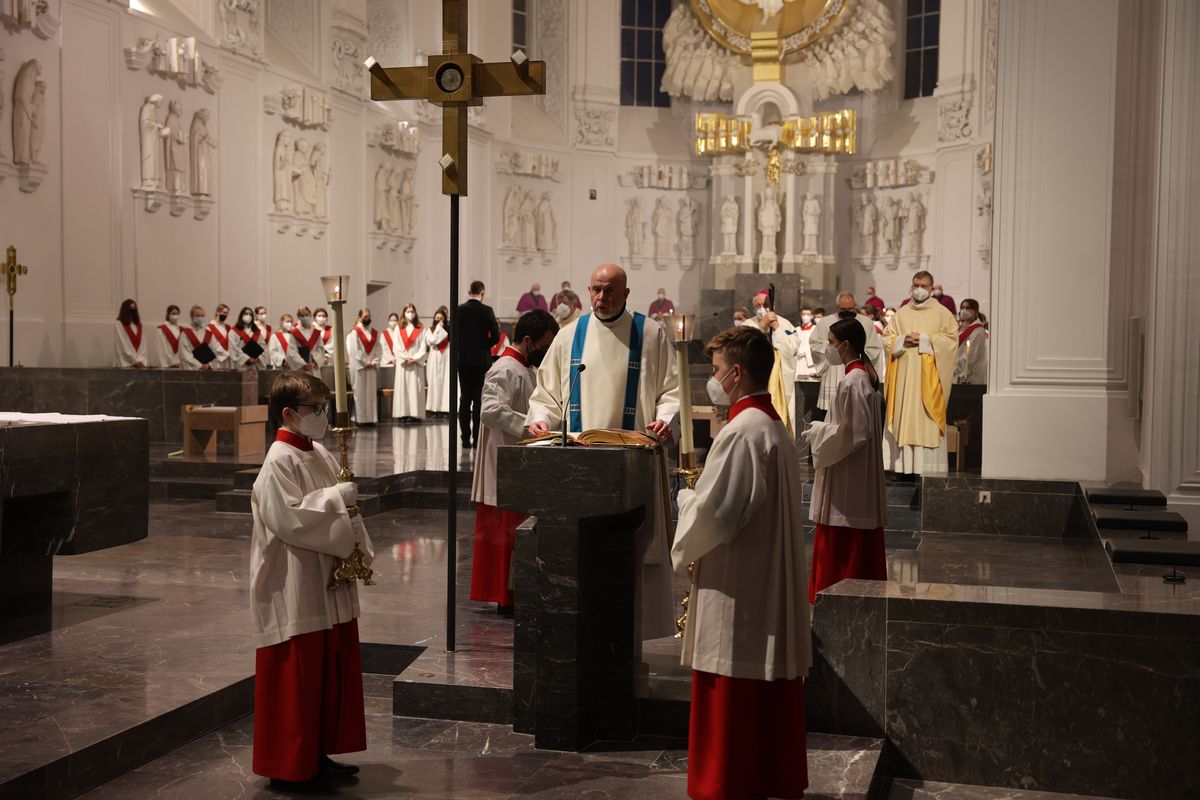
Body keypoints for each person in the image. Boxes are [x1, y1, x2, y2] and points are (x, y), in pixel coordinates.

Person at [672, 325, 811, 800]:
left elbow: (718, 514)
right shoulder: (773, 427)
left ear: (734, 374)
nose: (711, 379)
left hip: (740, 590)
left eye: (714, 371)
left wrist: (685, 500)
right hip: (762, 581)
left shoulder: (743, 432)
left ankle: (724, 785)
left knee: (732, 693)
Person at [527, 263, 680, 640]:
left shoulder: (651, 333)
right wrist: (542, 419)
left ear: (626, 292)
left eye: (609, 290)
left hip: (636, 456)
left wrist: (665, 419)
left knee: (633, 553)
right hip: (581, 463)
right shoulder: (569, 335)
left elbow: (672, 391)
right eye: (595, 289)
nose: (601, 297)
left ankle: (633, 631)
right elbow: (546, 393)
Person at [250, 371, 372, 790]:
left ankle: (317, 755)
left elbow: (336, 504)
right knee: (298, 676)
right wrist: (340, 498)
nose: (322, 416)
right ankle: (291, 766)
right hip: (295, 579)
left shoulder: (316, 451)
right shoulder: (276, 463)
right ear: (288, 413)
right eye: (315, 409)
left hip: (323, 574)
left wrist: (354, 533)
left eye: (324, 408)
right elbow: (292, 519)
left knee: (324, 671)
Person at [469, 309, 559, 611]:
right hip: (502, 461)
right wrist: (527, 425)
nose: (545, 352)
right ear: (528, 340)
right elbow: (490, 410)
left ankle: (516, 594)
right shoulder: (505, 368)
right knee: (504, 533)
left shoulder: (523, 369)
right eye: (545, 345)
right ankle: (505, 597)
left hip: (518, 460)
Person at [803, 317, 887, 602]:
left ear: (846, 345)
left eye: (831, 343)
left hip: (849, 472)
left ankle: (837, 591)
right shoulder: (861, 377)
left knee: (845, 535)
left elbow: (855, 434)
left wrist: (818, 431)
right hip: (851, 469)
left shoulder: (854, 381)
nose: (829, 348)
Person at [883, 271, 959, 475]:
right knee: (904, 419)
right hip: (905, 382)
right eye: (916, 284)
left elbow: (952, 341)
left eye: (924, 286)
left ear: (931, 288)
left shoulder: (943, 313)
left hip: (930, 380)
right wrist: (901, 341)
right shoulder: (901, 313)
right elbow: (886, 338)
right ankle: (902, 468)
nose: (919, 289)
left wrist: (926, 340)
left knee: (927, 422)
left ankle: (927, 468)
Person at [810, 292, 883, 423]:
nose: (847, 312)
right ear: (837, 306)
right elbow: (815, 344)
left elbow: (874, 348)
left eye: (850, 309)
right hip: (833, 374)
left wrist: (854, 353)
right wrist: (831, 350)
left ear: (855, 306)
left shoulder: (866, 322)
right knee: (831, 417)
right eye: (843, 309)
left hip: (857, 370)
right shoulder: (826, 322)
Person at [751, 291, 802, 434]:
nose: (762, 309)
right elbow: (742, 346)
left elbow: (792, 348)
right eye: (758, 305)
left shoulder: (785, 324)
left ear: (773, 305)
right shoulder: (748, 324)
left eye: (766, 305)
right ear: (753, 307)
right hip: (757, 383)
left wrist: (777, 328)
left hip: (781, 383)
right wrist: (761, 326)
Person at [457, 281, 501, 448]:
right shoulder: (487, 311)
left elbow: (450, 334)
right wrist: (483, 345)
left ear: (469, 292)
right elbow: (496, 337)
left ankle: (464, 439)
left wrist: (463, 347)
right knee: (478, 399)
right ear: (482, 293)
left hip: (463, 360)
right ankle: (476, 438)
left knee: (464, 398)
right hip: (482, 360)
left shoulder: (459, 310)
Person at [392, 303, 427, 424]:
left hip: (415, 363)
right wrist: (405, 357)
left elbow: (423, 346)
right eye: (408, 311)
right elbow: (396, 345)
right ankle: (402, 413)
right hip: (404, 363)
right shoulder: (398, 328)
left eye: (412, 311)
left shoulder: (420, 328)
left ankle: (415, 414)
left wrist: (415, 358)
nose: (410, 314)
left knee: (415, 389)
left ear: (415, 313)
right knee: (403, 388)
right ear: (404, 313)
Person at [348, 308, 382, 425]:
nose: (367, 319)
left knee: (370, 393)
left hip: (371, 367)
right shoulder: (354, 332)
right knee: (360, 393)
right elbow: (353, 351)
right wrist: (365, 362)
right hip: (360, 367)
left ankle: (371, 418)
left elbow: (378, 349)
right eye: (365, 317)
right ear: (359, 318)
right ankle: (360, 419)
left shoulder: (374, 333)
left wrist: (374, 361)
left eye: (368, 316)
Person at [424, 306, 451, 417]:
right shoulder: (429, 330)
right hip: (434, 357)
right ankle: (434, 409)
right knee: (434, 382)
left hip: (446, 356)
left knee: (445, 383)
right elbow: (432, 341)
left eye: (441, 318)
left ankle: (445, 408)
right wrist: (438, 329)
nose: (439, 320)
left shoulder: (449, 330)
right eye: (437, 318)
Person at [956, 298, 989, 385]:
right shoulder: (960, 328)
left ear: (975, 311)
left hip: (971, 374)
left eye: (968, 308)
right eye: (962, 308)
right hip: (959, 371)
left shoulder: (978, 330)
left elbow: (971, 355)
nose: (964, 310)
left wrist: (954, 363)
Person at [180, 305, 217, 371]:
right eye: (197, 316)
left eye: (202, 316)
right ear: (192, 317)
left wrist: (209, 364)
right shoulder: (185, 333)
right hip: (193, 369)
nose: (200, 318)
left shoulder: (208, 333)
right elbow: (185, 353)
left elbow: (214, 350)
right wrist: (199, 365)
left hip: (207, 368)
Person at [231, 306, 268, 370]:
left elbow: (263, 346)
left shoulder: (256, 330)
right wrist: (247, 358)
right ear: (241, 315)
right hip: (241, 365)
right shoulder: (234, 331)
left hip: (255, 365)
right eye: (246, 314)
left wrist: (258, 358)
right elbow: (233, 348)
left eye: (250, 314)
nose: (248, 316)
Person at [114, 298, 147, 368]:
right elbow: (122, 344)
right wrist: (133, 361)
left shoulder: (138, 325)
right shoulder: (119, 324)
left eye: (134, 309)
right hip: (126, 363)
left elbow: (143, 346)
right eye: (131, 309)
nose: (133, 311)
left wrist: (140, 360)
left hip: (139, 363)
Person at [290, 307, 324, 373]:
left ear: (310, 315)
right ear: (298, 317)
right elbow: (292, 351)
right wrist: (303, 364)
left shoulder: (316, 332)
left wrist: (315, 362)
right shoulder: (295, 333)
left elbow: (320, 349)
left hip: (313, 366)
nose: (305, 317)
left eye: (307, 315)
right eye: (302, 315)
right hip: (300, 368)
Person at [153, 304, 182, 368]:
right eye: (173, 313)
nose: (176, 316)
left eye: (177, 314)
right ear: (168, 314)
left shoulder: (180, 329)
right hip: (167, 364)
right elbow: (161, 349)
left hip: (179, 364)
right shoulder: (162, 329)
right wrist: (171, 363)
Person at [206, 303, 233, 370]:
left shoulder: (228, 327)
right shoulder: (209, 328)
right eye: (224, 312)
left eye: (227, 313)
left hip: (227, 360)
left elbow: (231, 343)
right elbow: (212, 345)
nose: (225, 315)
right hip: (216, 360)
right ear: (217, 312)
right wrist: (226, 353)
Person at [795, 306, 818, 380]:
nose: (805, 317)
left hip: (810, 362)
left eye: (807, 315)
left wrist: (806, 352)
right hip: (798, 362)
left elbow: (818, 346)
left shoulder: (816, 329)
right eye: (803, 314)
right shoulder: (796, 330)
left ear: (812, 316)